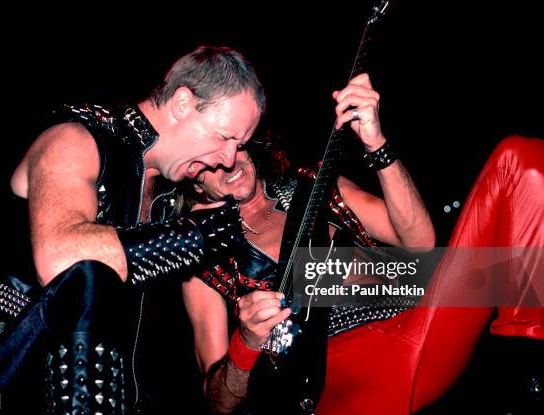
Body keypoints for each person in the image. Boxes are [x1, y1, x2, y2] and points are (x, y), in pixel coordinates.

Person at [0, 45, 265, 413]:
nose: (229, 158)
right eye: (224, 137)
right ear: (183, 103)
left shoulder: (169, 199)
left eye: (240, 145)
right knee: (88, 279)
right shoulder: (77, 139)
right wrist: (193, 237)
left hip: (100, 390)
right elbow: (61, 257)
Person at [181, 73, 437, 414]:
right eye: (207, 159)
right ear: (194, 182)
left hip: (416, 328)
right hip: (332, 383)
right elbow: (219, 403)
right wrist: (246, 342)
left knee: (515, 162)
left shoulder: (317, 187)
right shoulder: (204, 263)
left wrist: (376, 144)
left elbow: (420, 244)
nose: (227, 161)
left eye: (230, 142)